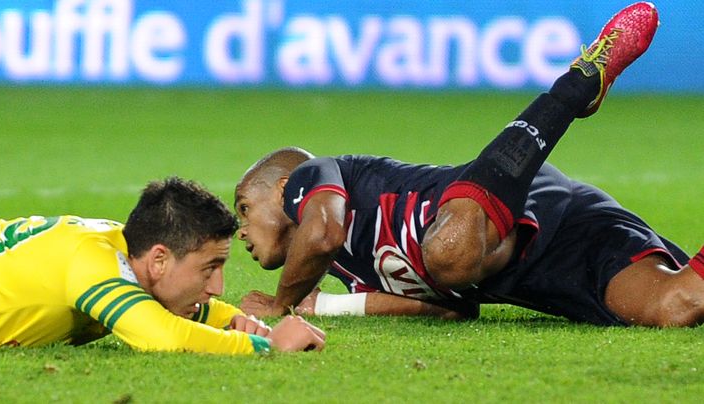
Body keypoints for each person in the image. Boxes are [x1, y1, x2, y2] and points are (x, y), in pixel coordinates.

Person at [235, 2, 704, 327]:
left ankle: (577, 85)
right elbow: (449, 309)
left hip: (510, 199)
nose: (240, 231)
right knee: (677, 306)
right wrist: (327, 306)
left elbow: (320, 233)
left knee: (448, 252)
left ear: (281, 192)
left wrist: (281, 305)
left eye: (243, 209)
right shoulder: (347, 269)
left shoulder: (315, 178)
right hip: (555, 256)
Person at [0, 176, 325, 353]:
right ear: (159, 259)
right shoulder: (90, 263)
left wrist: (237, 320)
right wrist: (267, 345)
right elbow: (160, 337)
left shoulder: (128, 253)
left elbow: (174, 308)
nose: (216, 287)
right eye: (209, 268)